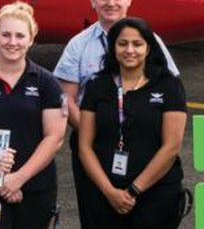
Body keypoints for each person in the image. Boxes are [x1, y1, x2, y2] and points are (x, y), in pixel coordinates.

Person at [52, 0, 177, 229]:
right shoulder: (78, 45)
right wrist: (93, 132)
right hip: (95, 150)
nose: (111, 3)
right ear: (92, 0)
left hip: (145, 148)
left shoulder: (153, 43)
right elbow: (67, 98)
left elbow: (171, 88)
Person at [0, 2, 66, 229]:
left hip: (35, 189)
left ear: (31, 39)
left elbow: (55, 137)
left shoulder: (47, 82)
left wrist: (18, 179)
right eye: (6, 35)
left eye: (20, 36)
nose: (12, 42)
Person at [76, 18, 186, 227]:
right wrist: (110, 192)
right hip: (104, 193)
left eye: (137, 44)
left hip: (155, 194)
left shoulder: (169, 86)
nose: (130, 50)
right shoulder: (97, 85)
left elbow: (171, 147)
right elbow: (84, 147)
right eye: (122, 43)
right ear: (113, 47)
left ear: (148, 48)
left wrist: (134, 190)